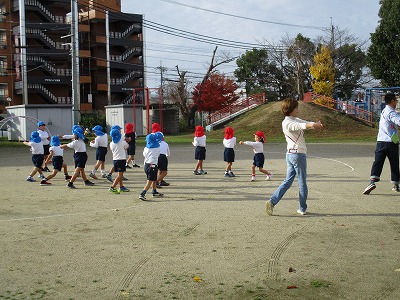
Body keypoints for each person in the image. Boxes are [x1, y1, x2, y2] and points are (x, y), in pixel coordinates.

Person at [266, 98, 323, 216]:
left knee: (287, 181)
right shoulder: (288, 123)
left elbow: (305, 123)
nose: (298, 109)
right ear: (290, 110)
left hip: (290, 155)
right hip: (298, 155)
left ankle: (272, 201)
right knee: (302, 183)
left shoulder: (293, 119)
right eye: (296, 107)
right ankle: (302, 208)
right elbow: (302, 125)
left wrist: (315, 125)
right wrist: (313, 125)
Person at [363, 93, 400, 194]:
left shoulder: (383, 111)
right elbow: (398, 121)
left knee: (378, 162)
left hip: (380, 141)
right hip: (391, 142)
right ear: (392, 100)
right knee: (394, 163)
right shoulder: (391, 112)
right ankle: (396, 185)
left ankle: (371, 182)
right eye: (396, 100)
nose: (396, 102)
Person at [139, 133, 163, 200]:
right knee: (149, 181)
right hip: (152, 166)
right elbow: (158, 155)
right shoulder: (157, 148)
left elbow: (144, 155)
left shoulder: (146, 148)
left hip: (146, 165)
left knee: (154, 179)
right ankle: (142, 193)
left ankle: (154, 191)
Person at [108, 128, 130, 194]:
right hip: (121, 159)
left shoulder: (111, 143)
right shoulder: (122, 142)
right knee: (120, 175)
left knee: (119, 173)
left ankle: (121, 186)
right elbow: (127, 146)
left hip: (115, 159)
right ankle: (112, 187)